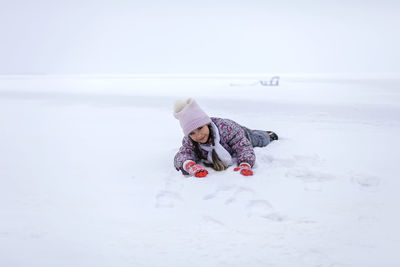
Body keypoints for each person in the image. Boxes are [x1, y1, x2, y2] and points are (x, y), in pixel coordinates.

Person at [173, 98, 278, 178]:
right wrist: (189, 165)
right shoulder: (190, 140)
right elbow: (183, 154)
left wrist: (245, 163)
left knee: (259, 139)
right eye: (192, 133)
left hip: (242, 134)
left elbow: (243, 147)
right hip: (234, 135)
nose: (199, 135)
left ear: (207, 123)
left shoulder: (227, 129)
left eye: (200, 128)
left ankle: (268, 134)